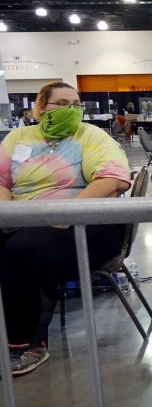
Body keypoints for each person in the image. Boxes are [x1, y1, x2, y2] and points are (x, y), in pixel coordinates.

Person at [0, 82, 131, 377]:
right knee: (17, 245)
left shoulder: (91, 136)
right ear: (41, 107)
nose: (72, 108)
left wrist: (65, 213)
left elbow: (114, 180)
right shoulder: (19, 137)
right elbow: (2, 182)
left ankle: (26, 343)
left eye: (77, 103)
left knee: (22, 252)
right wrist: (8, 213)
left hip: (85, 222)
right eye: (62, 102)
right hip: (25, 219)